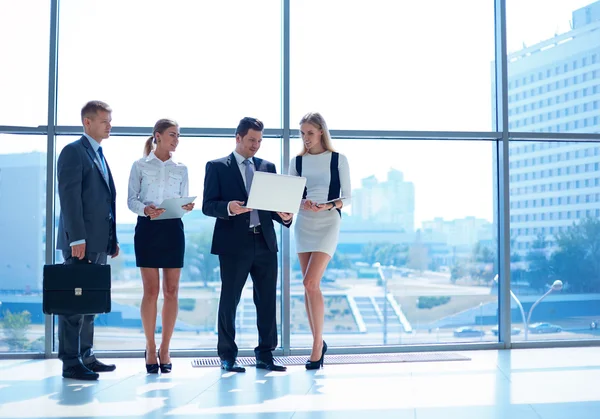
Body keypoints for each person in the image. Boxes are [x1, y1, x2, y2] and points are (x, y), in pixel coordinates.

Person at [202, 117, 293, 372]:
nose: (256, 145)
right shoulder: (217, 167)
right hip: (233, 245)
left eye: (260, 141)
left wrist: (284, 215)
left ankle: (265, 355)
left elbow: (272, 206)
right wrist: (229, 208)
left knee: (266, 301)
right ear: (238, 137)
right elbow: (208, 206)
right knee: (230, 300)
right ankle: (227, 356)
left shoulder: (267, 166)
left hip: (264, 242)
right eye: (252, 140)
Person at [56, 100, 119, 380]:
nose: (109, 125)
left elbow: (104, 203)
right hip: (80, 242)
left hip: (98, 243)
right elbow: (70, 199)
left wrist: (111, 239)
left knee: (90, 302)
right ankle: (70, 361)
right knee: (73, 305)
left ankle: (86, 356)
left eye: (110, 121)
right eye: (104, 121)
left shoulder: (99, 154)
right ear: (87, 123)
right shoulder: (73, 152)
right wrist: (76, 238)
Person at [127, 119, 194, 374]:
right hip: (147, 228)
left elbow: (183, 201)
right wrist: (145, 209)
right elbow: (131, 200)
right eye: (172, 135)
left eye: (178, 135)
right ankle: (150, 345)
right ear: (158, 136)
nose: (176, 140)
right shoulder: (140, 165)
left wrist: (186, 207)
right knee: (151, 291)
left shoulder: (182, 167)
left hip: (173, 228)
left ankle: (165, 348)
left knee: (172, 290)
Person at [288, 112, 351, 369]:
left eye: (310, 133)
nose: (306, 138)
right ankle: (318, 341)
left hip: (327, 222)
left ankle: (317, 346)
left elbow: (347, 197)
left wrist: (327, 206)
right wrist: (301, 202)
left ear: (321, 132)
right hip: (304, 223)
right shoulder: (297, 161)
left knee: (310, 281)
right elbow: (289, 195)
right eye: (302, 133)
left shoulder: (338, 159)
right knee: (308, 286)